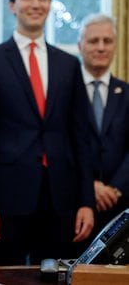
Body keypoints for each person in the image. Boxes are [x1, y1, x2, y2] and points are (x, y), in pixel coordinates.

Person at [0, 0, 95, 265]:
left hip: (62, 199)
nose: (36, 4)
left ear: (50, 5)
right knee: (3, 276)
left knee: (58, 277)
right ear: (13, 5)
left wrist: (86, 201)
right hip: (6, 199)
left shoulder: (69, 64)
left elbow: (81, 138)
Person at [77, 13, 129, 239]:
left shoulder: (127, 93)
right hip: (76, 207)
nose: (101, 47)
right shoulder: (65, 91)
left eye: (107, 41)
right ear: (80, 46)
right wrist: (88, 186)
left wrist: (115, 188)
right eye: (93, 41)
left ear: (115, 46)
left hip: (121, 208)